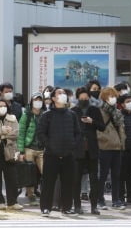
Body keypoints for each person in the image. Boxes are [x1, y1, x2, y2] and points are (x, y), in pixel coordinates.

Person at [37, 87, 80, 217]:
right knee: (48, 182)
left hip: (68, 154)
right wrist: (49, 146)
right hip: (51, 154)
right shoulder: (47, 115)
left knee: (68, 182)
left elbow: (78, 133)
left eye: (64, 93)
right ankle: (45, 208)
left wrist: (72, 145)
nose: (63, 95)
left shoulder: (72, 114)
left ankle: (66, 207)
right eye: (59, 93)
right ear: (54, 98)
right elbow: (41, 133)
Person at [71, 87, 105, 215]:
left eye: (86, 97)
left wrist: (92, 121)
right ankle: (77, 206)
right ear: (78, 98)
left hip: (92, 148)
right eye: (82, 97)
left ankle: (94, 206)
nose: (84, 99)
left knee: (94, 179)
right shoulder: (73, 111)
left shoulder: (94, 110)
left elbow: (102, 127)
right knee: (76, 179)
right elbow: (70, 129)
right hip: (78, 148)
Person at [96, 87, 126, 210]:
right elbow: (97, 129)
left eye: (114, 96)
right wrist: (105, 139)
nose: (113, 98)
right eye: (110, 96)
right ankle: (100, 199)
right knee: (102, 174)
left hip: (117, 147)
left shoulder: (117, 111)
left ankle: (116, 200)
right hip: (104, 146)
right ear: (104, 98)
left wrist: (122, 142)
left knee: (116, 175)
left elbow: (121, 128)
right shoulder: (99, 111)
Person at [17, 92, 45, 206]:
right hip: (29, 148)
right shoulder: (26, 115)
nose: (38, 102)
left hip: (42, 149)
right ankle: (31, 195)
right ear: (31, 101)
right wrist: (21, 151)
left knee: (46, 172)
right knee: (30, 172)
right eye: (36, 100)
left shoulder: (45, 114)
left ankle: (46, 194)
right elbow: (21, 133)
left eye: (40, 100)